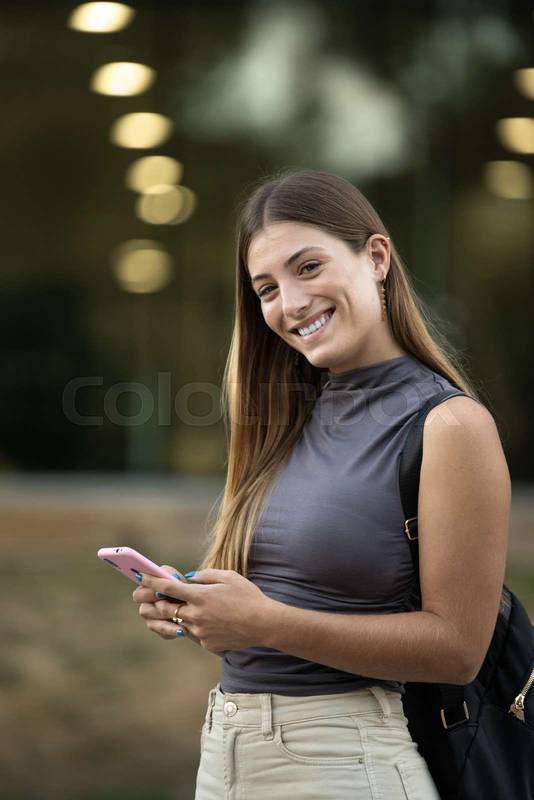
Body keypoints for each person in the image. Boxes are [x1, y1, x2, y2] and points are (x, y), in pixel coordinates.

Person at [132, 169, 511, 799]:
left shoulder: (450, 426)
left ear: (377, 257)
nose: (290, 303)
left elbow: (457, 649)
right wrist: (197, 607)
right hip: (226, 756)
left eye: (308, 267)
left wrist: (263, 622)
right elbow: (282, 606)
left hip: (346, 765)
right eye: (267, 288)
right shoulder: (284, 420)